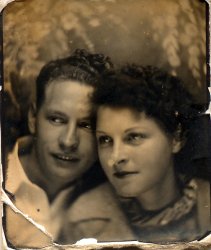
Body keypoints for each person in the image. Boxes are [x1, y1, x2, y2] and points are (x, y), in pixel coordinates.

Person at [4, 49, 112, 248]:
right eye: (56, 119)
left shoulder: (111, 196)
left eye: (86, 125)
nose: (69, 141)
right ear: (33, 118)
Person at [91, 65, 211, 243]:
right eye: (105, 140)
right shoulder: (85, 218)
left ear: (176, 138)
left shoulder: (206, 203)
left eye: (133, 137)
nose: (115, 158)